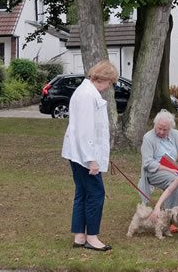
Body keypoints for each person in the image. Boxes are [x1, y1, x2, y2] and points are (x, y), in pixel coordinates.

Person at [61, 59, 119, 251]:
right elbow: (85, 131)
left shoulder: (85, 92)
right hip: (83, 155)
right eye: (110, 83)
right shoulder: (87, 95)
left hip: (78, 153)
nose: (109, 87)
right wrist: (92, 159)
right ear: (103, 78)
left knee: (83, 193)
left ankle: (79, 236)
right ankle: (92, 237)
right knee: (96, 194)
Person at [139, 109, 178, 233]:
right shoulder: (148, 137)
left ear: (170, 128)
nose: (161, 131)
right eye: (159, 128)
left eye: (165, 130)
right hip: (154, 171)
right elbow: (148, 163)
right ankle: (169, 219)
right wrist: (169, 169)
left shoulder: (176, 134)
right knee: (175, 181)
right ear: (155, 124)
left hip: (175, 169)